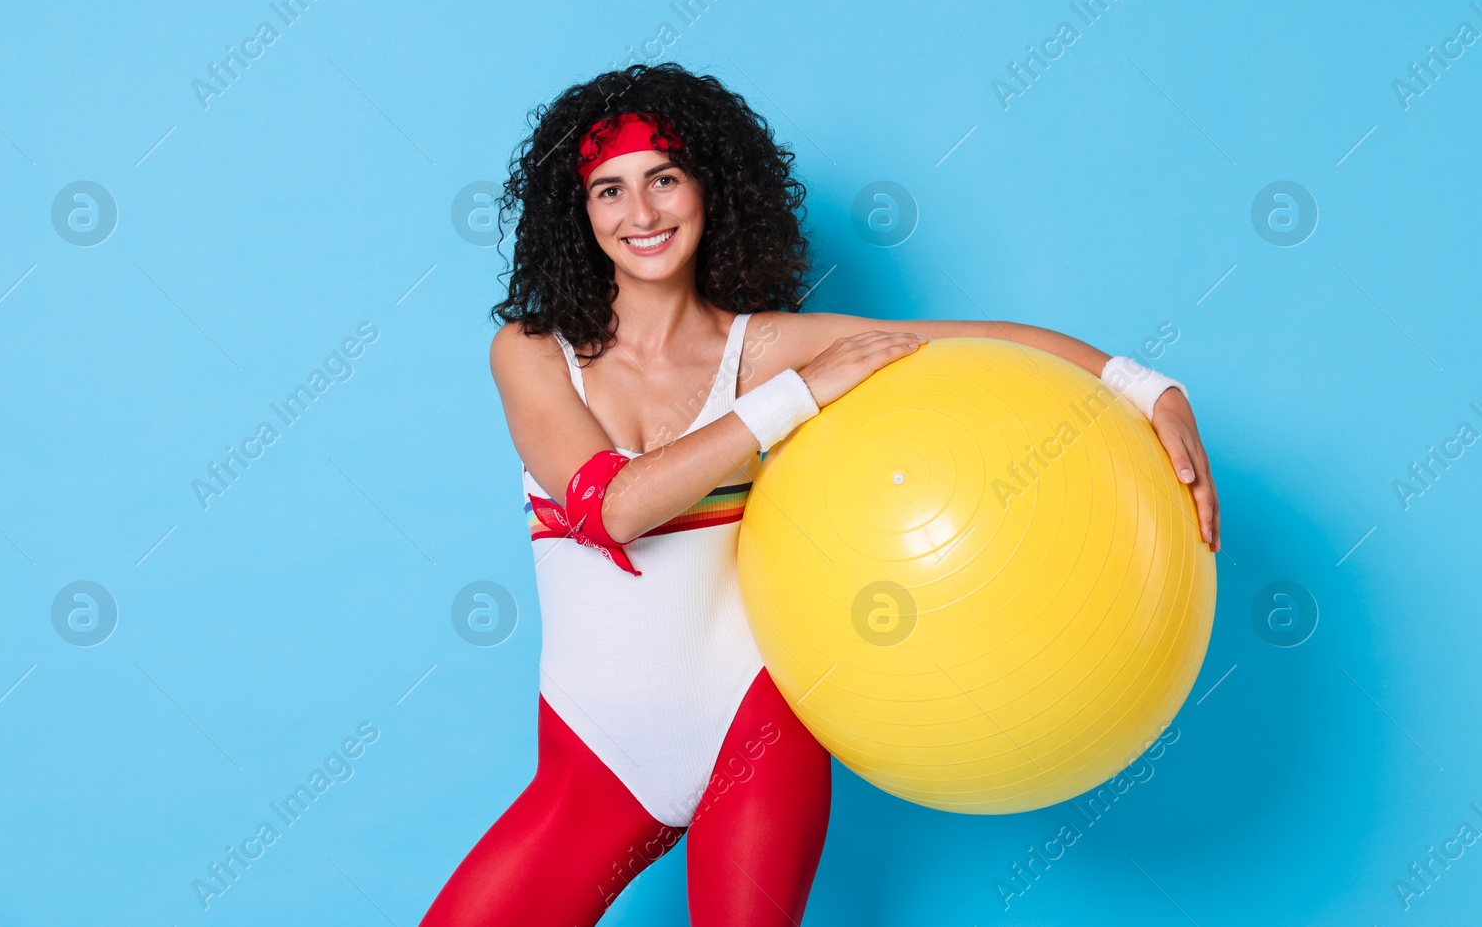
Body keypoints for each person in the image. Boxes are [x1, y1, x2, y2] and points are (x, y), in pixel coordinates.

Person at [419, 62, 1220, 925]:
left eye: (664, 179)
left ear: (709, 189)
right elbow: (611, 510)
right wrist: (793, 398)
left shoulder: (764, 347)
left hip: (757, 736)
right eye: (608, 190)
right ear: (577, 214)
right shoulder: (535, 352)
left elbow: (970, 343)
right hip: (594, 756)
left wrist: (1146, 385)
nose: (641, 213)